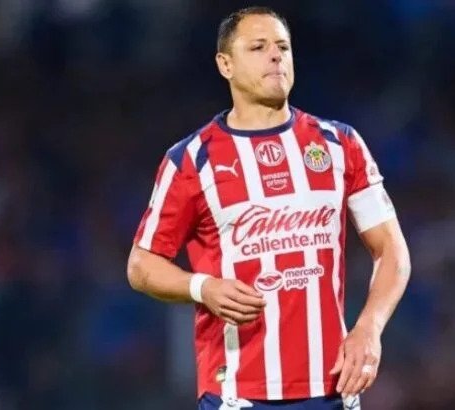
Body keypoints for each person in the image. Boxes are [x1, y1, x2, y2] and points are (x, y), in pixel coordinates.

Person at [127, 6, 411, 410]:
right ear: (225, 64)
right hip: (238, 391)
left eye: (283, 47)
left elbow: (392, 250)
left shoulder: (339, 144)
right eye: (258, 47)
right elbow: (141, 265)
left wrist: (369, 327)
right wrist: (202, 287)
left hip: (332, 387)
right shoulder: (191, 160)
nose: (275, 55)